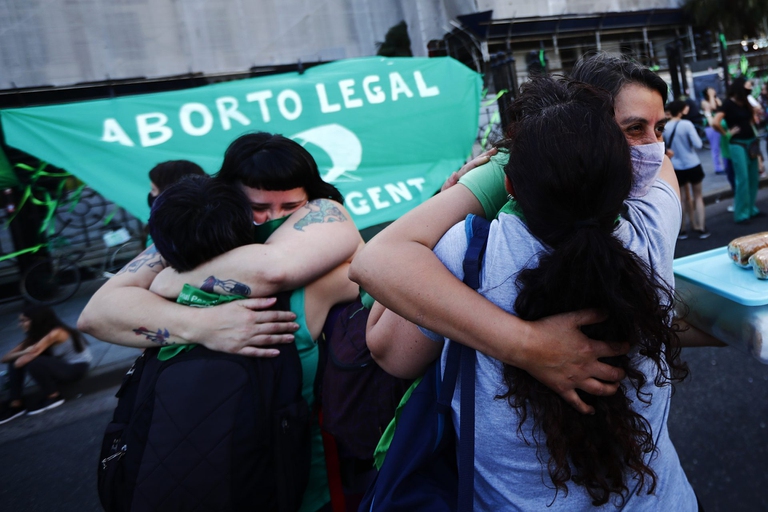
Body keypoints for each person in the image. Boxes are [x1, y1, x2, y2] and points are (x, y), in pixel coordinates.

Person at [366, 75, 696, 510]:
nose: (651, 144)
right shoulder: (652, 234)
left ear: (510, 184)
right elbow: (660, 167)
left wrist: (470, 188)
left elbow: (388, 346)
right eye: (635, 130)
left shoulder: (468, 254)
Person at [350, 52, 722, 417]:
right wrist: (530, 346)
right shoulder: (505, 171)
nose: (654, 150)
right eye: (634, 129)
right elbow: (379, 273)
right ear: (583, 125)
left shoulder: (647, 203)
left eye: (659, 129)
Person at [79, 132, 363, 512]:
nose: (273, 219)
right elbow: (95, 314)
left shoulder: (175, 264)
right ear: (229, 196)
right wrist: (203, 325)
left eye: (291, 206)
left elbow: (275, 269)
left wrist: (170, 282)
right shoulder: (198, 234)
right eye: (257, 207)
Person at [1, 306, 92, 423]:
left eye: (24, 320)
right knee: (18, 359)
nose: (20, 324)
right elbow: (4, 358)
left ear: (37, 319)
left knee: (34, 362)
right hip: (60, 368)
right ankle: (15, 404)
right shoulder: (36, 336)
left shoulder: (56, 333)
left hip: (76, 368)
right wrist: (24, 352)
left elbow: (20, 363)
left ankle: (53, 397)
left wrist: (26, 354)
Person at [713, 77, 761, 224]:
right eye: (748, 86)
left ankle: (751, 209)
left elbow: (751, 120)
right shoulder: (728, 104)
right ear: (740, 87)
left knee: (753, 177)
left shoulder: (746, 102)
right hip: (737, 144)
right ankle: (741, 214)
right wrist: (727, 133)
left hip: (751, 142)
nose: (750, 88)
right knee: (743, 179)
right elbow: (715, 122)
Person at [664, 99, 708, 239]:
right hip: (692, 163)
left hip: (676, 166)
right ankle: (701, 228)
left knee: (681, 198)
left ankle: (682, 230)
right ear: (680, 110)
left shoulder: (665, 126)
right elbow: (698, 144)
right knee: (698, 196)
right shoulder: (687, 124)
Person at [701, 87, 725, 174]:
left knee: (723, 146)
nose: (713, 91)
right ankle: (718, 168)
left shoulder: (717, 99)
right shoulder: (704, 102)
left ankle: (725, 166)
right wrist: (711, 96)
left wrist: (714, 97)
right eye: (710, 91)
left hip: (720, 125)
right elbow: (713, 107)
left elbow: (721, 107)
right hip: (710, 126)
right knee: (715, 148)